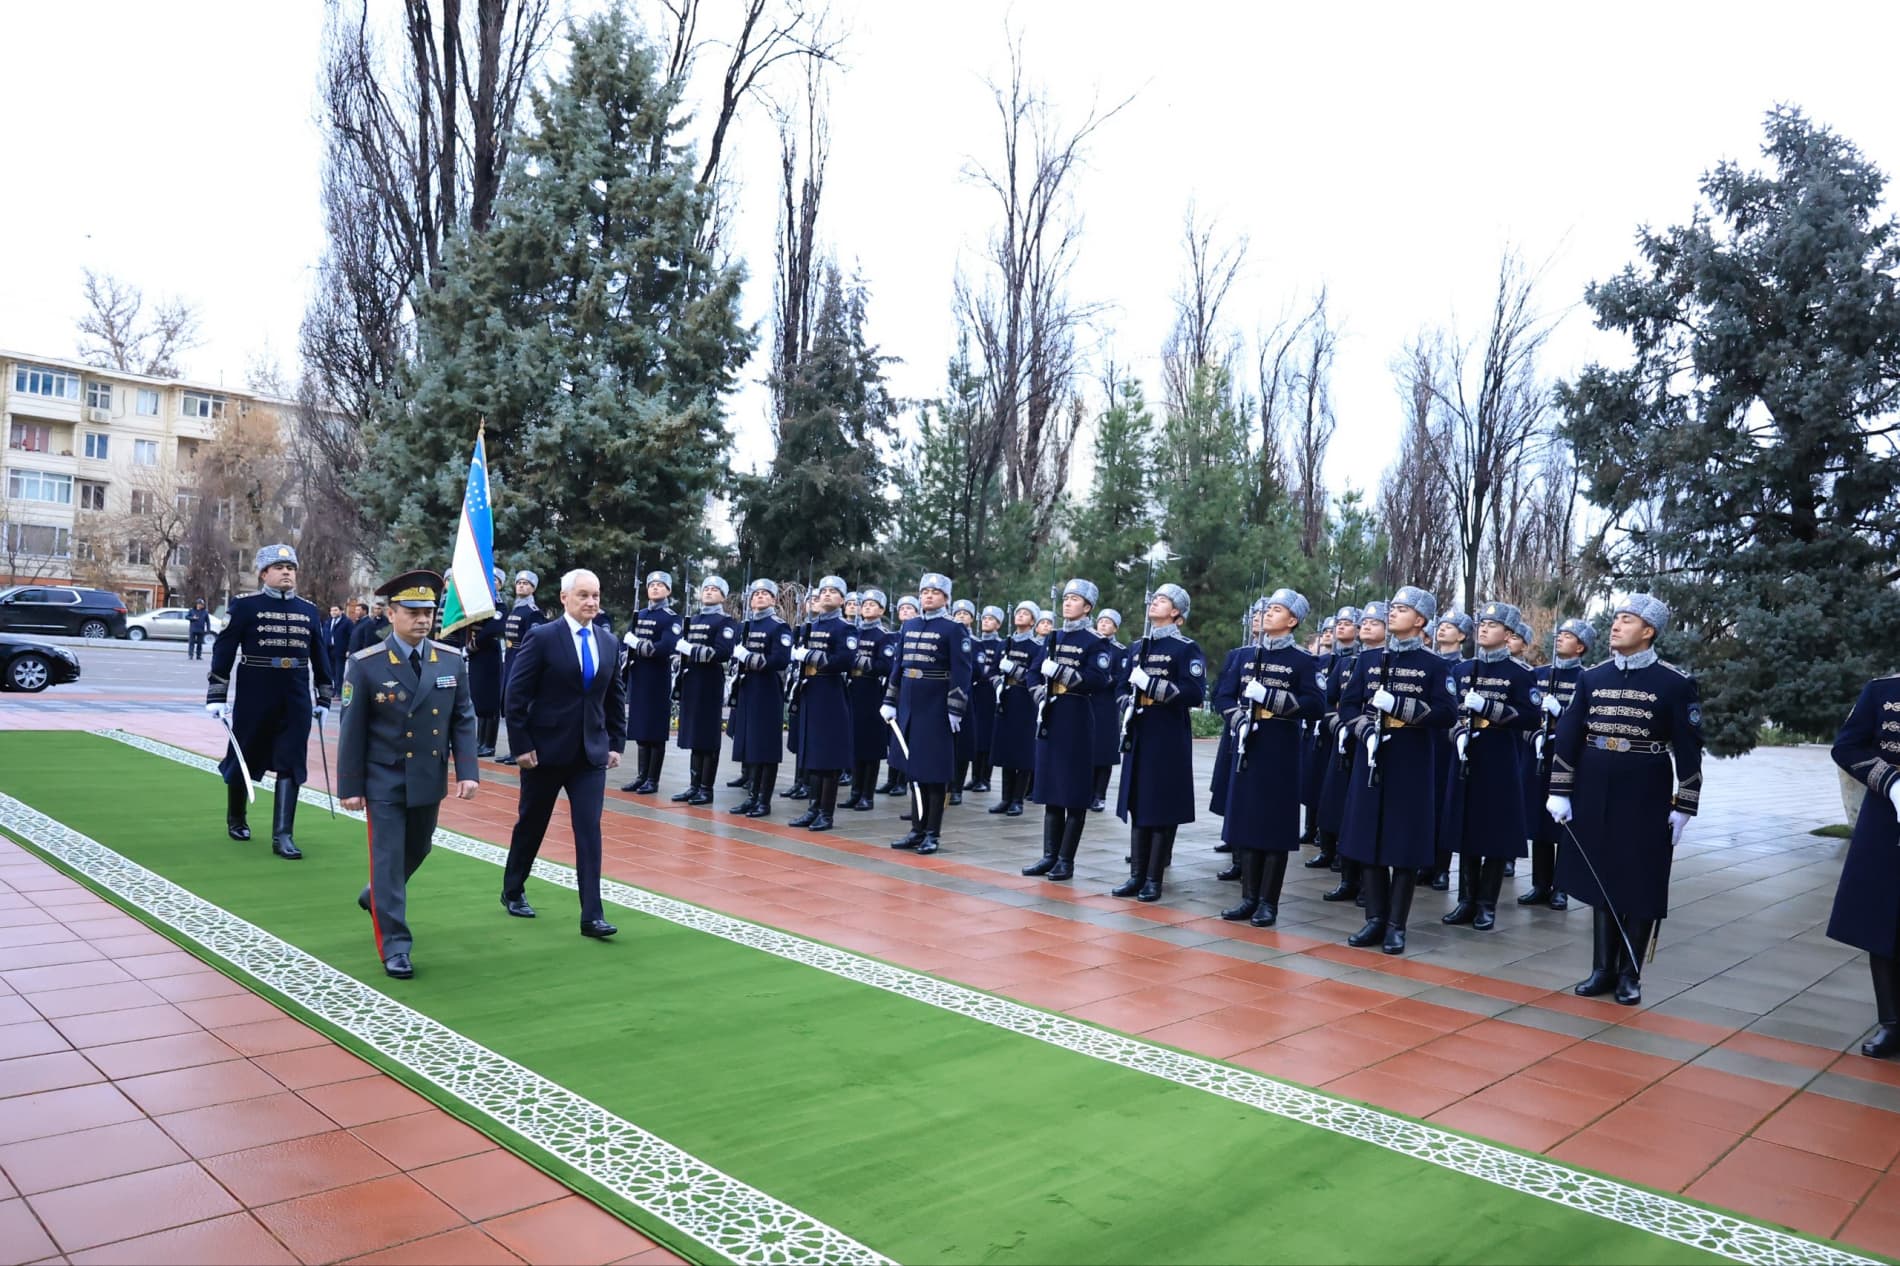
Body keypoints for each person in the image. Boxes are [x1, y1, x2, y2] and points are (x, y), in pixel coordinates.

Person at [1546, 595, 1702, 1005]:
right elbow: (1569, 733)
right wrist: (1560, 789)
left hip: (1645, 784)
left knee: (1641, 878)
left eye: (1626, 620)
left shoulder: (1674, 682)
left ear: (1648, 631)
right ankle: (1602, 968)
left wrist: (1685, 805)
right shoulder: (1592, 677)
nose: (1616, 626)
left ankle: (1631, 973)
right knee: (1602, 875)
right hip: (1595, 783)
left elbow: (1689, 747)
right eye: (1615, 618)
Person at [336, 571, 479, 979]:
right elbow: (352, 728)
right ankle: (396, 946)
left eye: (428, 612)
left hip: (426, 777)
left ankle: (377, 895)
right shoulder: (366, 665)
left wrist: (467, 770)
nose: (422, 620)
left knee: (419, 848)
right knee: (387, 858)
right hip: (384, 777)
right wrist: (351, 785)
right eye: (413, 612)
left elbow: (462, 718)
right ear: (391, 614)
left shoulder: (450, 659)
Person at [500, 568, 627, 938]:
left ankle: (592, 914)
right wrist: (521, 746)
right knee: (532, 824)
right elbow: (516, 695)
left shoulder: (607, 642)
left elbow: (614, 696)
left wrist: (615, 743)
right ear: (564, 598)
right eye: (584, 595)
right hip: (545, 754)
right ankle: (513, 888)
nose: (591, 602)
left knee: (589, 829)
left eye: (596, 596)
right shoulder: (542, 637)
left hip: (589, 756)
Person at [1337, 587, 1456, 954]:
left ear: (1420, 620)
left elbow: (1446, 713)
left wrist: (1401, 706)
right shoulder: (1369, 659)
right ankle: (1374, 918)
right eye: (1393, 608)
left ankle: (1395, 924)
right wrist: (1364, 729)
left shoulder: (1436, 666)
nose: (1393, 614)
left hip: (1411, 760)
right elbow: (1348, 705)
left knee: (1403, 845)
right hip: (1372, 755)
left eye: (1402, 610)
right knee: (1367, 838)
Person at [204, 544, 333, 860]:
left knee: (292, 759)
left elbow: (320, 655)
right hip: (256, 690)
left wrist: (325, 697)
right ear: (264, 573)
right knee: (244, 752)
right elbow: (224, 650)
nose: (287, 572)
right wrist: (216, 694)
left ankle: (283, 835)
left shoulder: (308, 610)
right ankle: (236, 817)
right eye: (279, 567)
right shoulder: (245, 606)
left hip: (296, 694)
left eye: (291, 567)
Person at [1216, 588, 1323, 925]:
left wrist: (1273, 699)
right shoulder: (1246, 655)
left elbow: (1316, 705)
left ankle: (1268, 903)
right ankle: (1248, 897)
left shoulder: (1303, 661)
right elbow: (1223, 696)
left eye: (1276, 610)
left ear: (1292, 620)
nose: (1267, 614)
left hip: (1280, 746)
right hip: (1247, 743)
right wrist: (1237, 718)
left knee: (1273, 826)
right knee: (1246, 821)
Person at [1438, 602, 1537, 932]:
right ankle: (1465, 899)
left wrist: (1490, 708)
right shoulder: (1462, 670)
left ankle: (1486, 904)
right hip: (1465, 753)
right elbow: (1448, 711)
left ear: (1508, 635)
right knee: (1464, 827)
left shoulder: (1521, 674)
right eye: (1482, 623)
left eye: (1492, 625)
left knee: (1494, 832)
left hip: (1499, 756)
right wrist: (1457, 733)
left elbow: (1531, 716)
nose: (1483, 629)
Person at [1113, 583, 1206, 902]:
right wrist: (1127, 702)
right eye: (1154, 599)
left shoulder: (1186, 649)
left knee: (1161, 804)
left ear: (1177, 612)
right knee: (1138, 802)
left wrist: (1151, 685)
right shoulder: (1137, 647)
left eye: (1163, 600)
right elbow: (1120, 687)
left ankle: (1154, 878)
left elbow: (1194, 693)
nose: (1154, 603)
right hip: (1140, 728)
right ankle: (1136, 875)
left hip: (1167, 731)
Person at [1018, 579, 1113, 879]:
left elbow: (1098, 679)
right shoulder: (1053, 637)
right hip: (1051, 713)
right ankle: (1049, 855)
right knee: (1050, 788)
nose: (1067, 603)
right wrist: (1039, 694)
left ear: (1087, 607)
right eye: (1066, 598)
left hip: (1076, 715)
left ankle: (1066, 860)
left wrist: (1061, 672)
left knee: (1072, 791)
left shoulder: (1096, 641)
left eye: (1075, 599)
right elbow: (1033, 672)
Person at [1828, 675, 1900, 1058]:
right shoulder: (1882, 690)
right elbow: (1847, 746)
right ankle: (1891, 1022)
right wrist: (1891, 782)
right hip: (1886, 817)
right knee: (1883, 922)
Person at [885, 573, 973, 855]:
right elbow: (898, 664)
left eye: (935, 592)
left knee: (935, 774)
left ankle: (933, 833)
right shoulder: (909, 625)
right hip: (909, 704)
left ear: (946, 598)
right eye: (925, 591)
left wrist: (955, 708)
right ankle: (916, 829)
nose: (929, 596)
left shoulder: (954, 628)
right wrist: (890, 698)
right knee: (914, 771)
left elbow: (962, 671)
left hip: (936, 707)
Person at [1521, 618, 1593, 909]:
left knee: (1563, 825)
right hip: (1537, 753)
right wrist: (1535, 734)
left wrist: (1561, 713)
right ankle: (1540, 884)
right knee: (1539, 823)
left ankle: (1560, 886)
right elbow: (1524, 714)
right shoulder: (1537, 674)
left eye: (1568, 636)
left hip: (1568, 759)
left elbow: (1587, 723)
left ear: (1581, 646)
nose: (1560, 639)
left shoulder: (1587, 679)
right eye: (1559, 634)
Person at [786, 576, 857, 830]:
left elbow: (845, 660)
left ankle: (826, 813)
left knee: (828, 756)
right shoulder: (809, 626)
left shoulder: (845, 628)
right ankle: (812, 808)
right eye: (823, 591)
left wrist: (810, 656)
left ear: (842, 600)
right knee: (812, 754)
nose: (826, 595)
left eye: (833, 592)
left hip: (830, 691)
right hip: (810, 690)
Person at [727, 579, 793, 817]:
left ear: (774, 600)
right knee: (750, 745)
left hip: (766, 688)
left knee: (764, 746)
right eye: (756, 594)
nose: (760, 597)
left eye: (765, 594)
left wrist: (750, 658)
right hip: (748, 688)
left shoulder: (778, 626)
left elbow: (780, 659)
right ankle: (752, 796)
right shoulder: (746, 625)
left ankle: (763, 801)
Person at [670, 575, 738, 805]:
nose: (708, 592)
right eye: (706, 588)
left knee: (707, 735)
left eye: (714, 589)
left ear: (723, 595)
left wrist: (692, 649)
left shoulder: (725, 621)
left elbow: (723, 652)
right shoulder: (693, 618)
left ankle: (706, 789)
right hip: (691, 678)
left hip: (709, 679)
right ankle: (694, 785)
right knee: (693, 733)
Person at [1302, 607, 1360, 871]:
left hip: (1355, 735)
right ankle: (1324, 844)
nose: (1340, 627)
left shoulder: (1358, 660)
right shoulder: (1329, 661)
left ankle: (1341, 851)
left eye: (1348, 623)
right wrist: (1335, 721)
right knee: (1324, 791)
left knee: (1343, 794)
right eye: (1339, 623)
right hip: (1328, 731)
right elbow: (1327, 697)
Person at [620, 571, 682, 794]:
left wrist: (638, 644)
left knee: (655, 730)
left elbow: (666, 646)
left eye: (660, 585)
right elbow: (627, 639)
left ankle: (652, 779)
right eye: (651, 585)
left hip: (657, 677)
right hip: (640, 675)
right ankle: (641, 776)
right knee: (640, 727)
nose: (655, 588)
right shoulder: (641, 614)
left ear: (668, 590)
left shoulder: (671, 617)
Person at [989, 600, 1045, 816]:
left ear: (1033, 621)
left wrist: (1014, 670)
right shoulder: (1006, 643)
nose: (1020, 616)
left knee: (1022, 752)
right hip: (1006, 698)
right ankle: (1005, 798)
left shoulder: (1036, 647)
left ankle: (1017, 800)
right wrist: (998, 683)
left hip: (1025, 699)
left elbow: (1036, 675)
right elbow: (992, 671)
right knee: (1006, 749)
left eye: (1026, 613)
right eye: (1019, 612)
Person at [446, 567, 508, 759]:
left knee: (489, 700)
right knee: (479, 698)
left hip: (488, 652)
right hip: (476, 654)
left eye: (496, 581)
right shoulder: (479, 604)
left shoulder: (498, 604)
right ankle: (480, 741)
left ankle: (488, 744)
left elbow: (493, 629)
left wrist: (473, 645)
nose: (492, 583)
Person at [845, 589, 897, 811]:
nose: (866, 607)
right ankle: (855, 792)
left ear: (882, 610)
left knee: (870, 746)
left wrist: (859, 662)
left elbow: (885, 666)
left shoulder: (883, 636)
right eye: (864, 604)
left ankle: (867, 794)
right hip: (852, 690)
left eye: (872, 604)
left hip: (871, 691)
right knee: (855, 744)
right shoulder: (853, 632)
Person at [879, 594, 922, 799]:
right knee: (893, 737)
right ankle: (891, 778)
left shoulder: (918, 633)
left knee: (907, 735)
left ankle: (902, 782)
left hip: (910, 689)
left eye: (909, 608)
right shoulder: (894, 635)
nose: (904, 611)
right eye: (902, 608)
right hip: (895, 688)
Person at [1090, 608, 1128, 813]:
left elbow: (1121, 675)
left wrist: (1103, 680)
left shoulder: (1120, 651)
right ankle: (1086, 792)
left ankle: (1099, 794)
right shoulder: (1091, 644)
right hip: (1089, 700)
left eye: (1108, 622)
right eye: (1101, 621)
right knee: (1087, 748)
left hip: (1106, 703)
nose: (1103, 624)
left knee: (1104, 751)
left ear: (1115, 627)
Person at [966, 605, 1007, 795]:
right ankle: (974, 777)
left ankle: (985, 778)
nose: (986, 622)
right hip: (976, 691)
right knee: (975, 736)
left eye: (991, 619)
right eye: (985, 618)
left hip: (990, 692)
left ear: (998, 624)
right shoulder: (975, 641)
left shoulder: (1000, 644)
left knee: (987, 737)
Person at [947, 598, 980, 803]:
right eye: (957, 613)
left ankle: (957, 787)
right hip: (943, 691)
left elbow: (976, 670)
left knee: (961, 745)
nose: (961, 616)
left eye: (965, 614)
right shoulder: (948, 634)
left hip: (964, 694)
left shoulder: (975, 643)